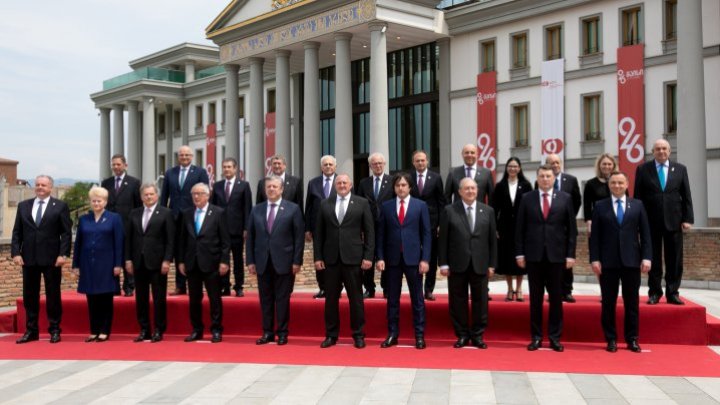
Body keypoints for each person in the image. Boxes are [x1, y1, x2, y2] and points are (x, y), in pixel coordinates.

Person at [516, 165, 577, 352]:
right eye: (541, 176)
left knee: (556, 299)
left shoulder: (565, 199)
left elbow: (572, 230)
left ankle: (554, 338)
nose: (545, 179)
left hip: (557, 257)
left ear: (554, 178)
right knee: (535, 299)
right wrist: (520, 253)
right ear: (537, 178)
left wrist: (570, 254)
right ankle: (535, 337)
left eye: (548, 176)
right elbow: (520, 228)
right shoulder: (527, 198)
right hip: (534, 257)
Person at [590, 171, 652, 353]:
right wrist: (595, 259)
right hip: (608, 262)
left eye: (620, 183)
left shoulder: (638, 205)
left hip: (632, 261)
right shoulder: (600, 206)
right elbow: (595, 237)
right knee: (608, 303)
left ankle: (632, 339)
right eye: (613, 183)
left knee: (631, 303)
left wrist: (647, 257)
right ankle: (611, 339)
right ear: (609, 185)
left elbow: (646, 234)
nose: (617, 186)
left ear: (627, 185)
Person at [313, 174, 374, 349]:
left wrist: (368, 256)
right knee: (331, 299)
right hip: (331, 260)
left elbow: (370, 232)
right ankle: (331, 335)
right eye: (338, 182)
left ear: (351, 184)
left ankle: (358, 335)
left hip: (353, 258)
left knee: (356, 299)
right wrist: (318, 257)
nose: (341, 185)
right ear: (334, 185)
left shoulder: (361, 203)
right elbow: (319, 234)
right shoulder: (325, 204)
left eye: (344, 182)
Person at [12, 175, 72, 344]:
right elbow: (17, 232)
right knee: (29, 296)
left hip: (52, 259)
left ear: (50, 187)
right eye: (37, 184)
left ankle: (54, 330)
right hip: (28, 258)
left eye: (43, 185)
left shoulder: (60, 206)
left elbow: (66, 233)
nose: (40, 187)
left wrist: (63, 254)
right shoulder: (24, 206)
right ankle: (31, 331)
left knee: (53, 296)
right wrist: (16, 253)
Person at [634, 138, 694, 305]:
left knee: (674, 259)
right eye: (657, 149)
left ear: (669, 151)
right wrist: (637, 221)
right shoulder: (643, 169)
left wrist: (688, 218)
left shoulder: (680, 169)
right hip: (650, 222)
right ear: (653, 152)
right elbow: (637, 197)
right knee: (652, 258)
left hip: (674, 221)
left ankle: (672, 292)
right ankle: (654, 292)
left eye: (664, 149)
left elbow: (686, 195)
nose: (661, 151)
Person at [439, 178, 497, 349]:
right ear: (460, 192)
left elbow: (492, 241)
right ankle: (462, 334)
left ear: (477, 190)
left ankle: (478, 335)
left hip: (480, 264)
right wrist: (443, 264)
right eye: (466, 188)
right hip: (457, 264)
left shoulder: (488, 211)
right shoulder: (449, 211)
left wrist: (492, 264)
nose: (470, 191)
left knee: (481, 301)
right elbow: (443, 240)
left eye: (473, 188)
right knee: (457, 301)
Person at [376, 173, 432, 350]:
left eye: (404, 185)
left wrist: (425, 259)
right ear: (394, 188)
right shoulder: (386, 207)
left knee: (417, 300)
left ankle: (419, 336)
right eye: (398, 185)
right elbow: (381, 235)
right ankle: (393, 334)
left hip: (414, 260)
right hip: (392, 260)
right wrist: (380, 257)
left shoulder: (420, 206)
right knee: (392, 299)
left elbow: (426, 234)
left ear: (410, 187)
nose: (401, 188)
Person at [247, 176, 305, 346]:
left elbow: (298, 238)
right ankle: (267, 332)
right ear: (265, 190)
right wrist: (250, 261)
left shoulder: (293, 209)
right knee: (265, 299)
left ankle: (282, 332)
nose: (271, 189)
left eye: (275, 186)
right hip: (262, 261)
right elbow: (251, 237)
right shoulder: (256, 210)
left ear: (281, 190)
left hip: (285, 262)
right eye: (269, 187)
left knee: (282, 299)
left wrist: (297, 261)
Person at [177, 183, 231, 343]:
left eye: (200, 193)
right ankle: (196, 329)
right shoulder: (186, 213)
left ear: (208, 195)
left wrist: (224, 261)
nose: (196, 196)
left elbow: (225, 241)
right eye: (194, 193)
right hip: (192, 263)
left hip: (212, 262)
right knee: (194, 299)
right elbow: (181, 240)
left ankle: (216, 329)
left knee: (214, 298)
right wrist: (180, 261)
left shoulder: (218, 213)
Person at [72, 186, 124, 342]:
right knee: (92, 299)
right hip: (88, 264)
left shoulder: (114, 218)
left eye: (99, 200)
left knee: (105, 299)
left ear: (105, 202)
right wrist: (75, 265)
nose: (96, 203)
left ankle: (104, 330)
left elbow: (119, 243)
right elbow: (78, 244)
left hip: (107, 265)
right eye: (93, 200)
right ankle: (94, 330)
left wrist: (118, 264)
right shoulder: (84, 219)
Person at [125, 183, 175, 342]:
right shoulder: (134, 213)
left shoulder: (166, 213)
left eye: (151, 194)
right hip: (138, 262)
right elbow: (129, 239)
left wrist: (167, 260)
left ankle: (159, 330)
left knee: (159, 298)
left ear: (157, 196)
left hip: (158, 263)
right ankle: (144, 329)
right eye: (145, 194)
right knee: (141, 298)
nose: (148, 197)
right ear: (141, 197)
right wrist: (128, 259)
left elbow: (170, 240)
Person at [160, 145, 210, 296]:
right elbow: (164, 196)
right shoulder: (170, 173)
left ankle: (196, 285)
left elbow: (206, 193)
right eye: (182, 155)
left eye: (187, 155)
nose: (184, 157)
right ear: (178, 156)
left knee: (192, 249)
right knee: (177, 250)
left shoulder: (200, 172)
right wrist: (162, 214)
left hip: (193, 216)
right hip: (174, 217)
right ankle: (180, 285)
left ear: (192, 156)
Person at [101, 154, 142, 297]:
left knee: (127, 256)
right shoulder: (106, 183)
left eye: (118, 164)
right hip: (110, 226)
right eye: (113, 165)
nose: (116, 167)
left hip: (128, 226)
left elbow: (138, 206)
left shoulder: (134, 182)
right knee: (112, 257)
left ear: (125, 165)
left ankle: (129, 286)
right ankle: (113, 286)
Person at [491, 157, 532, 302]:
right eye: (510, 166)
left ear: (519, 168)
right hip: (505, 227)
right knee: (507, 258)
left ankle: (519, 288)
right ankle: (509, 289)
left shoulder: (526, 185)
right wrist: (495, 227)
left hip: (522, 227)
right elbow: (494, 208)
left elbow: (531, 208)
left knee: (520, 257)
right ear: (506, 168)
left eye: (515, 166)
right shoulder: (500, 186)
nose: (512, 169)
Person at [211, 157, 252, 297]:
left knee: (238, 259)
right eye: (224, 167)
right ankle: (225, 286)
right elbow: (212, 207)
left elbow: (247, 208)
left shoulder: (244, 185)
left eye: (229, 167)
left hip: (237, 230)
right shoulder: (217, 186)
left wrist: (246, 228)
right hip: (220, 229)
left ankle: (239, 286)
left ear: (235, 169)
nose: (227, 169)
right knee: (223, 259)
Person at [356, 152, 394, 298]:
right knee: (368, 256)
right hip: (368, 225)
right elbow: (359, 203)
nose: (377, 166)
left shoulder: (392, 181)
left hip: (387, 225)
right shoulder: (364, 183)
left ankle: (386, 287)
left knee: (386, 257)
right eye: (374, 163)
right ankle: (369, 288)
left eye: (380, 163)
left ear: (384, 164)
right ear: (370, 166)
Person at [544, 153, 582, 303]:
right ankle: (552, 291)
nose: (555, 165)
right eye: (551, 163)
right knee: (548, 262)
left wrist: (569, 217)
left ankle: (567, 291)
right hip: (548, 230)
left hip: (566, 229)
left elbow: (577, 201)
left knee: (567, 262)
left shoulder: (571, 180)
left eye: (557, 162)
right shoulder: (542, 181)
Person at [410, 150, 446, 301]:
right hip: (412, 223)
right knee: (415, 256)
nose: (420, 163)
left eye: (422, 160)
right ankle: (417, 289)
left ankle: (429, 289)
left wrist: (440, 224)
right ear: (413, 163)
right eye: (417, 161)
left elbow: (441, 202)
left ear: (427, 162)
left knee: (430, 257)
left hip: (431, 223)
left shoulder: (436, 178)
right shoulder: (408, 177)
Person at [304, 155, 338, 299]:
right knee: (319, 258)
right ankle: (323, 287)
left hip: (337, 228)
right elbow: (309, 207)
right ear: (321, 167)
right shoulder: (313, 183)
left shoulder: (342, 182)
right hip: (317, 228)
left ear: (335, 166)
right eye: (325, 164)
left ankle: (336, 288)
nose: (328, 166)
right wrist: (307, 229)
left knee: (336, 258)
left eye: (331, 164)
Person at [583, 153, 618, 236]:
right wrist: (589, 222)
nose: (607, 166)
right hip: (598, 220)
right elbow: (587, 205)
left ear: (613, 166)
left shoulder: (619, 182)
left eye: (609, 164)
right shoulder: (590, 184)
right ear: (599, 166)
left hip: (616, 219)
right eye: (604, 164)